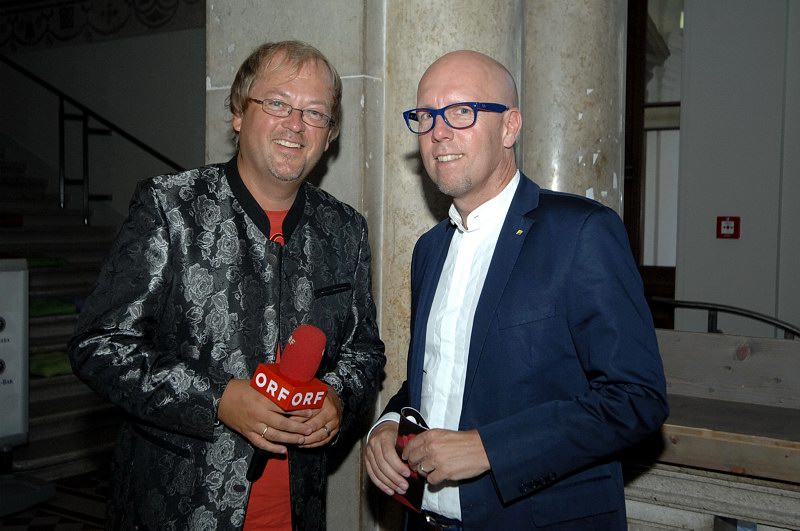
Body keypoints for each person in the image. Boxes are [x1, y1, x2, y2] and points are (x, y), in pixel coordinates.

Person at [69, 40, 385, 531]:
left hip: (297, 513)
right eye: (277, 103)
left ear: (329, 136)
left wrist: (338, 397)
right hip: (178, 510)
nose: (295, 124)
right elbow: (100, 345)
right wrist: (216, 399)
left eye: (315, 113)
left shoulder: (345, 230)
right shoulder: (170, 208)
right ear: (239, 112)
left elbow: (363, 351)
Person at [364, 50, 668, 530]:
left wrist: (489, 449)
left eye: (461, 111)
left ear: (509, 127)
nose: (438, 131)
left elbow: (637, 398)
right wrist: (387, 426)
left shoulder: (580, 233)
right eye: (426, 116)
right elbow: (441, 376)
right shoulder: (429, 250)